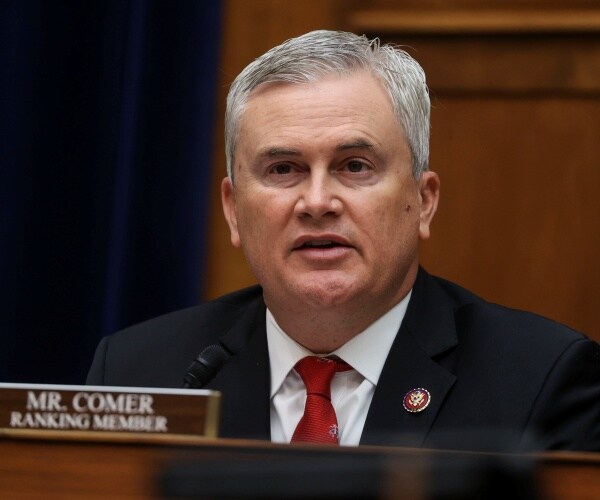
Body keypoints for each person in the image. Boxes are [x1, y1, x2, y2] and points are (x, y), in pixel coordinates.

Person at [87, 30, 600, 451]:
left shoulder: (540, 381)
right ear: (233, 210)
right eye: (283, 169)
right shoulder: (140, 372)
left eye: (355, 167)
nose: (316, 201)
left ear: (423, 201)